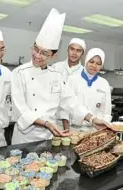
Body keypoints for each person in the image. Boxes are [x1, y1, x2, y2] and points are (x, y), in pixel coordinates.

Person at [11, 8, 111, 145]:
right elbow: (20, 110)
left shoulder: (56, 75)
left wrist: (92, 119)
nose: (37, 55)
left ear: (53, 56)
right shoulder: (19, 73)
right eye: (35, 49)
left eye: (44, 53)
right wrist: (47, 124)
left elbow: (71, 102)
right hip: (25, 137)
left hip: (49, 136)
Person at [61, 48, 112, 131]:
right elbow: (65, 107)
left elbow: (106, 111)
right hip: (74, 129)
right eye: (91, 62)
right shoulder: (72, 79)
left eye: (98, 64)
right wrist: (66, 129)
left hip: (95, 129)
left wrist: (104, 128)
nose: (94, 66)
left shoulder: (104, 83)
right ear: (86, 61)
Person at [51, 38, 86, 130]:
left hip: (76, 124)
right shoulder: (55, 68)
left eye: (78, 51)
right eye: (72, 49)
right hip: (54, 121)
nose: (74, 53)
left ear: (83, 54)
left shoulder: (85, 73)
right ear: (67, 50)